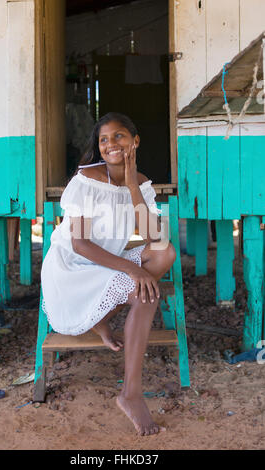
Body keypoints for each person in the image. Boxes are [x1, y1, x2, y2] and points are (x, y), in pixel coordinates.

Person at [41, 112, 176, 436]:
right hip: (74, 265)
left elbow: (153, 237)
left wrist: (131, 185)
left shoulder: (140, 182)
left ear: (135, 141)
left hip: (110, 258)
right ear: (98, 147)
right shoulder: (86, 181)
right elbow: (82, 244)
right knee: (146, 291)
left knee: (164, 255)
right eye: (104, 140)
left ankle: (124, 378)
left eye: (119, 136)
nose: (111, 144)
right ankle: (129, 389)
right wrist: (132, 269)